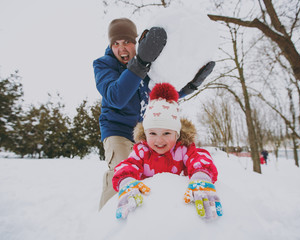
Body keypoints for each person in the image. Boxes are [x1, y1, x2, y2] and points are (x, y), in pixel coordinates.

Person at [93, 18, 215, 210]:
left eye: (127, 42)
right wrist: (140, 62)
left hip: (146, 132)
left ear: (136, 41)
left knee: (147, 177)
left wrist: (189, 86)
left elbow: (157, 95)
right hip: (118, 129)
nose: (121, 48)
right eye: (115, 44)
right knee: (122, 173)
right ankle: (107, 225)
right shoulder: (103, 65)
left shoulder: (148, 65)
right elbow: (116, 97)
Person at [112, 83, 222, 220]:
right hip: (148, 208)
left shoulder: (183, 149)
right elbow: (128, 164)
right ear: (145, 134)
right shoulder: (142, 150)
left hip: (177, 206)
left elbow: (199, 157)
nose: (159, 140)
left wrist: (201, 176)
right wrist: (127, 181)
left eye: (166, 133)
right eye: (152, 133)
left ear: (177, 134)